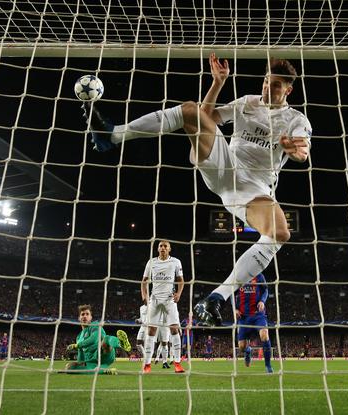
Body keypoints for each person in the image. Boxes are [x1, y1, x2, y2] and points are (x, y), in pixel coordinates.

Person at [84, 55, 311, 326]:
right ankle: (112, 135)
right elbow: (206, 118)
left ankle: (216, 298)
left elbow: (302, 152)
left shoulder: (296, 119)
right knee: (191, 111)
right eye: (265, 81)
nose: (267, 88)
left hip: (255, 188)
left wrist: (293, 150)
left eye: (275, 85)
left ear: (288, 89)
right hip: (225, 165)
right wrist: (217, 83)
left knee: (280, 232)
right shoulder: (247, 102)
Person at [140, 240, 185, 374]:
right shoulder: (151, 262)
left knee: (174, 329)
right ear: (158, 249)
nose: (163, 248)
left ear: (169, 249)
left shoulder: (176, 262)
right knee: (151, 331)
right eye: (160, 246)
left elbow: (181, 280)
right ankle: (147, 364)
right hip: (154, 299)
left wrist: (178, 293)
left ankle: (177, 363)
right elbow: (144, 281)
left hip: (169, 299)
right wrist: (144, 296)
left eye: (165, 246)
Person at [62, 304, 131, 375]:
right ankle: (104, 371)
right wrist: (79, 364)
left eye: (87, 314)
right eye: (82, 314)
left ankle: (120, 342)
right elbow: (81, 358)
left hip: (104, 353)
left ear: (91, 317)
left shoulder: (95, 325)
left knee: (106, 339)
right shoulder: (79, 337)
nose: (85, 316)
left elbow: (94, 339)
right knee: (69, 367)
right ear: (79, 318)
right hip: (93, 361)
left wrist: (77, 345)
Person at [235, 273, 272, 373]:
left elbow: (265, 290)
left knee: (264, 334)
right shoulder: (238, 276)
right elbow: (231, 294)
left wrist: (262, 301)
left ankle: (268, 366)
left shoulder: (259, 276)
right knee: (241, 346)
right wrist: (235, 309)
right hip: (243, 317)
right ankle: (248, 351)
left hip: (258, 315)